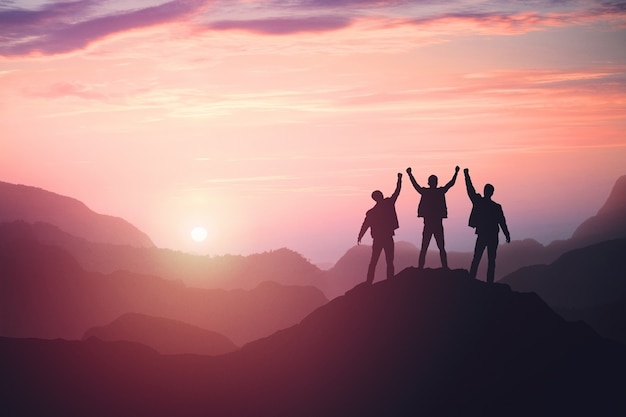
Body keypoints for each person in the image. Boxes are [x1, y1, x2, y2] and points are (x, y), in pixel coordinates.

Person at [406, 166, 459, 269]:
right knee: (440, 247)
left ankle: (421, 267)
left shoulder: (426, 192)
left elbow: (415, 185)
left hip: (429, 224)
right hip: (437, 224)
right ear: (436, 182)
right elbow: (450, 184)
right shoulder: (439, 191)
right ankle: (444, 267)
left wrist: (410, 174)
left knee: (425, 247)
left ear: (429, 182)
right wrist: (456, 173)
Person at [463, 168, 511, 283]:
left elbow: (470, 190)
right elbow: (502, 222)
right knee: (491, 260)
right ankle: (489, 282)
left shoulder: (479, 202)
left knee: (477, 258)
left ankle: (471, 279)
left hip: (483, 234)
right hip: (493, 235)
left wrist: (466, 175)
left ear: (485, 191)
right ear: (492, 192)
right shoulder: (496, 207)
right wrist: (507, 234)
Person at [358, 173, 402, 284]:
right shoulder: (388, 204)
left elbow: (365, 225)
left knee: (375, 260)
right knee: (388, 260)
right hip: (386, 237)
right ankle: (389, 281)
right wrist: (399, 180)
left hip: (379, 238)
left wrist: (360, 236)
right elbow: (397, 192)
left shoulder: (372, 212)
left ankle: (369, 282)